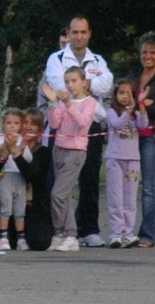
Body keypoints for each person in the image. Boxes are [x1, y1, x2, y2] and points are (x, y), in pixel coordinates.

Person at [41, 16, 114, 247]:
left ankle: (89, 229)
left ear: (89, 33)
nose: (79, 36)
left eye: (83, 32)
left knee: (90, 178)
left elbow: (107, 85)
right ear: (69, 33)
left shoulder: (98, 60)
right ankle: (61, 230)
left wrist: (81, 86)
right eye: (75, 32)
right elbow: (57, 84)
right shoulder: (56, 58)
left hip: (89, 125)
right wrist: (83, 85)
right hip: (63, 126)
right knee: (59, 182)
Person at [124, 31, 155, 248]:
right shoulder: (134, 78)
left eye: (153, 52)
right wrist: (143, 103)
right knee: (130, 186)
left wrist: (137, 105)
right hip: (132, 138)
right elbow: (122, 100)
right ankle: (125, 231)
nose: (148, 56)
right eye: (145, 52)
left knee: (149, 187)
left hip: (154, 138)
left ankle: (149, 235)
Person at [0, 109, 53, 250]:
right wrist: (3, 156)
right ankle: (1, 233)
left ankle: (16, 235)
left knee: (39, 243)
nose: (28, 127)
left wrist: (17, 154)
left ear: (39, 129)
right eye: (25, 123)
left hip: (31, 204)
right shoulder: (5, 142)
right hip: (8, 193)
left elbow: (31, 174)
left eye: (34, 124)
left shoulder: (43, 152)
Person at [47, 66, 97, 252]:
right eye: (67, 81)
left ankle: (67, 233)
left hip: (75, 151)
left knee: (57, 194)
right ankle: (64, 235)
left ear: (83, 82)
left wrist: (69, 104)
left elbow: (83, 124)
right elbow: (54, 123)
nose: (70, 85)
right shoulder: (63, 101)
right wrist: (53, 104)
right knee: (64, 194)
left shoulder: (89, 102)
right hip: (59, 148)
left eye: (74, 81)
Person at [104, 79, 147, 248]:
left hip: (132, 160)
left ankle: (128, 233)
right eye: (121, 92)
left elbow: (143, 125)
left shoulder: (135, 114)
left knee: (130, 198)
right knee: (116, 198)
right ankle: (116, 233)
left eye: (128, 93)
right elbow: (116, 124)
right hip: (115, 160)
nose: (125, 96)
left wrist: (141, 105)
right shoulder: (111, 112)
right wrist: (128, 111)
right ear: (115, 95)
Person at [0, 109, 29, 250]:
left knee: (20, 210)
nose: (12, 126)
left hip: (20, 177)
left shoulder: (22, 141)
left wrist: (20, 151)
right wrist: (0, 152)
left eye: (16, 123)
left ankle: (21, 237)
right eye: (9, 123)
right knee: (5, 207)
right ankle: (3, 236)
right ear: (3, 124)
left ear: (21, 125)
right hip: (6, 176)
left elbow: (29, 159)